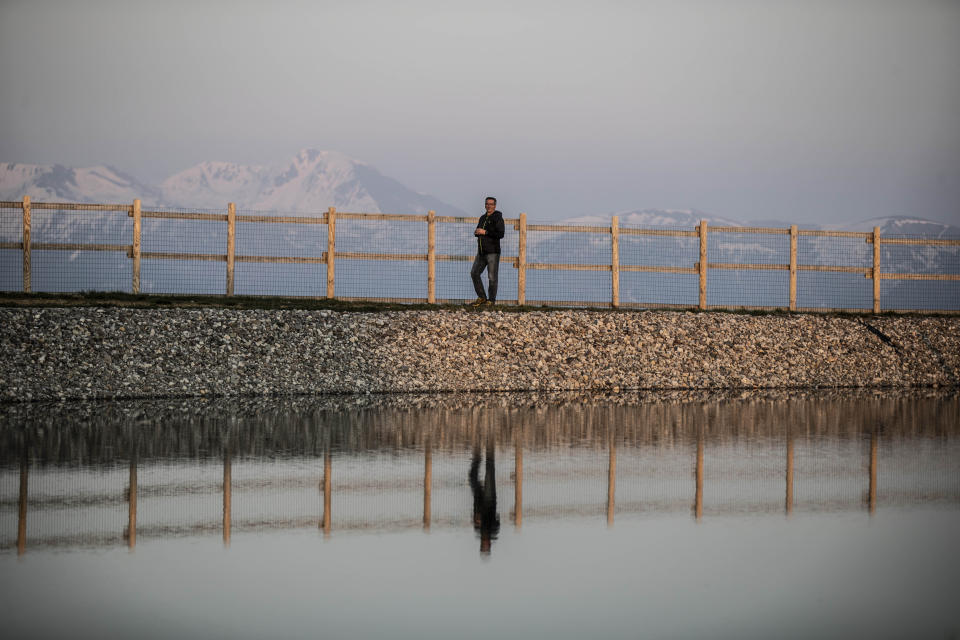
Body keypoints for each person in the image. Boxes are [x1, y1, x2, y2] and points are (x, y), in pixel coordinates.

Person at [469, 196, 505, 306]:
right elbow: (479, 231)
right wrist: (477, 232)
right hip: (481, 252)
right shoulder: (482, 218)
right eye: (487, 204)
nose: (488, 206)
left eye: (491, 204)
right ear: (485, 205)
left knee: (492, 277)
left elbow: (500, 234)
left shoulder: (498, 218)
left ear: (495, 206)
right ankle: (482, 297)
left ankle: (491, 301)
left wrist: (485, 232)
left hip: (493, 252)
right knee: (474, 273)